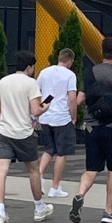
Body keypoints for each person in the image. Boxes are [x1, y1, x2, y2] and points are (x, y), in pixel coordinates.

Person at [69, 35, 112, 223]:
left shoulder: (91, 73)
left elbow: (79, 100)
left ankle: (80, 194)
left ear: (102, 51)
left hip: (92, 127)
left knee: (91, 169)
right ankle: (108, 211)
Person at [0, 50, 54, 223]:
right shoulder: (31, 84)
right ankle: (38, 207)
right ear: (29, 67)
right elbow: (35, 111)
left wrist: (7, 118)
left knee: (1, 171)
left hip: (4, 132)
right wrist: (46, 106)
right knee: (33, 171)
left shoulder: (3, 82)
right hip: (24, 134)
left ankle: (0, 212)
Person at [36, 48, 78, 198]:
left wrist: (37, 112)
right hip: (62, 117)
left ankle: (39, 177)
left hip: (46, 115)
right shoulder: (70, 75)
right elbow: (72, 98)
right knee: (62, 152)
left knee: (49, 149)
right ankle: (55, 187)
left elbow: (38, 91)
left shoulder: (45, 72)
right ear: (70, 60)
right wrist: (73, 116)